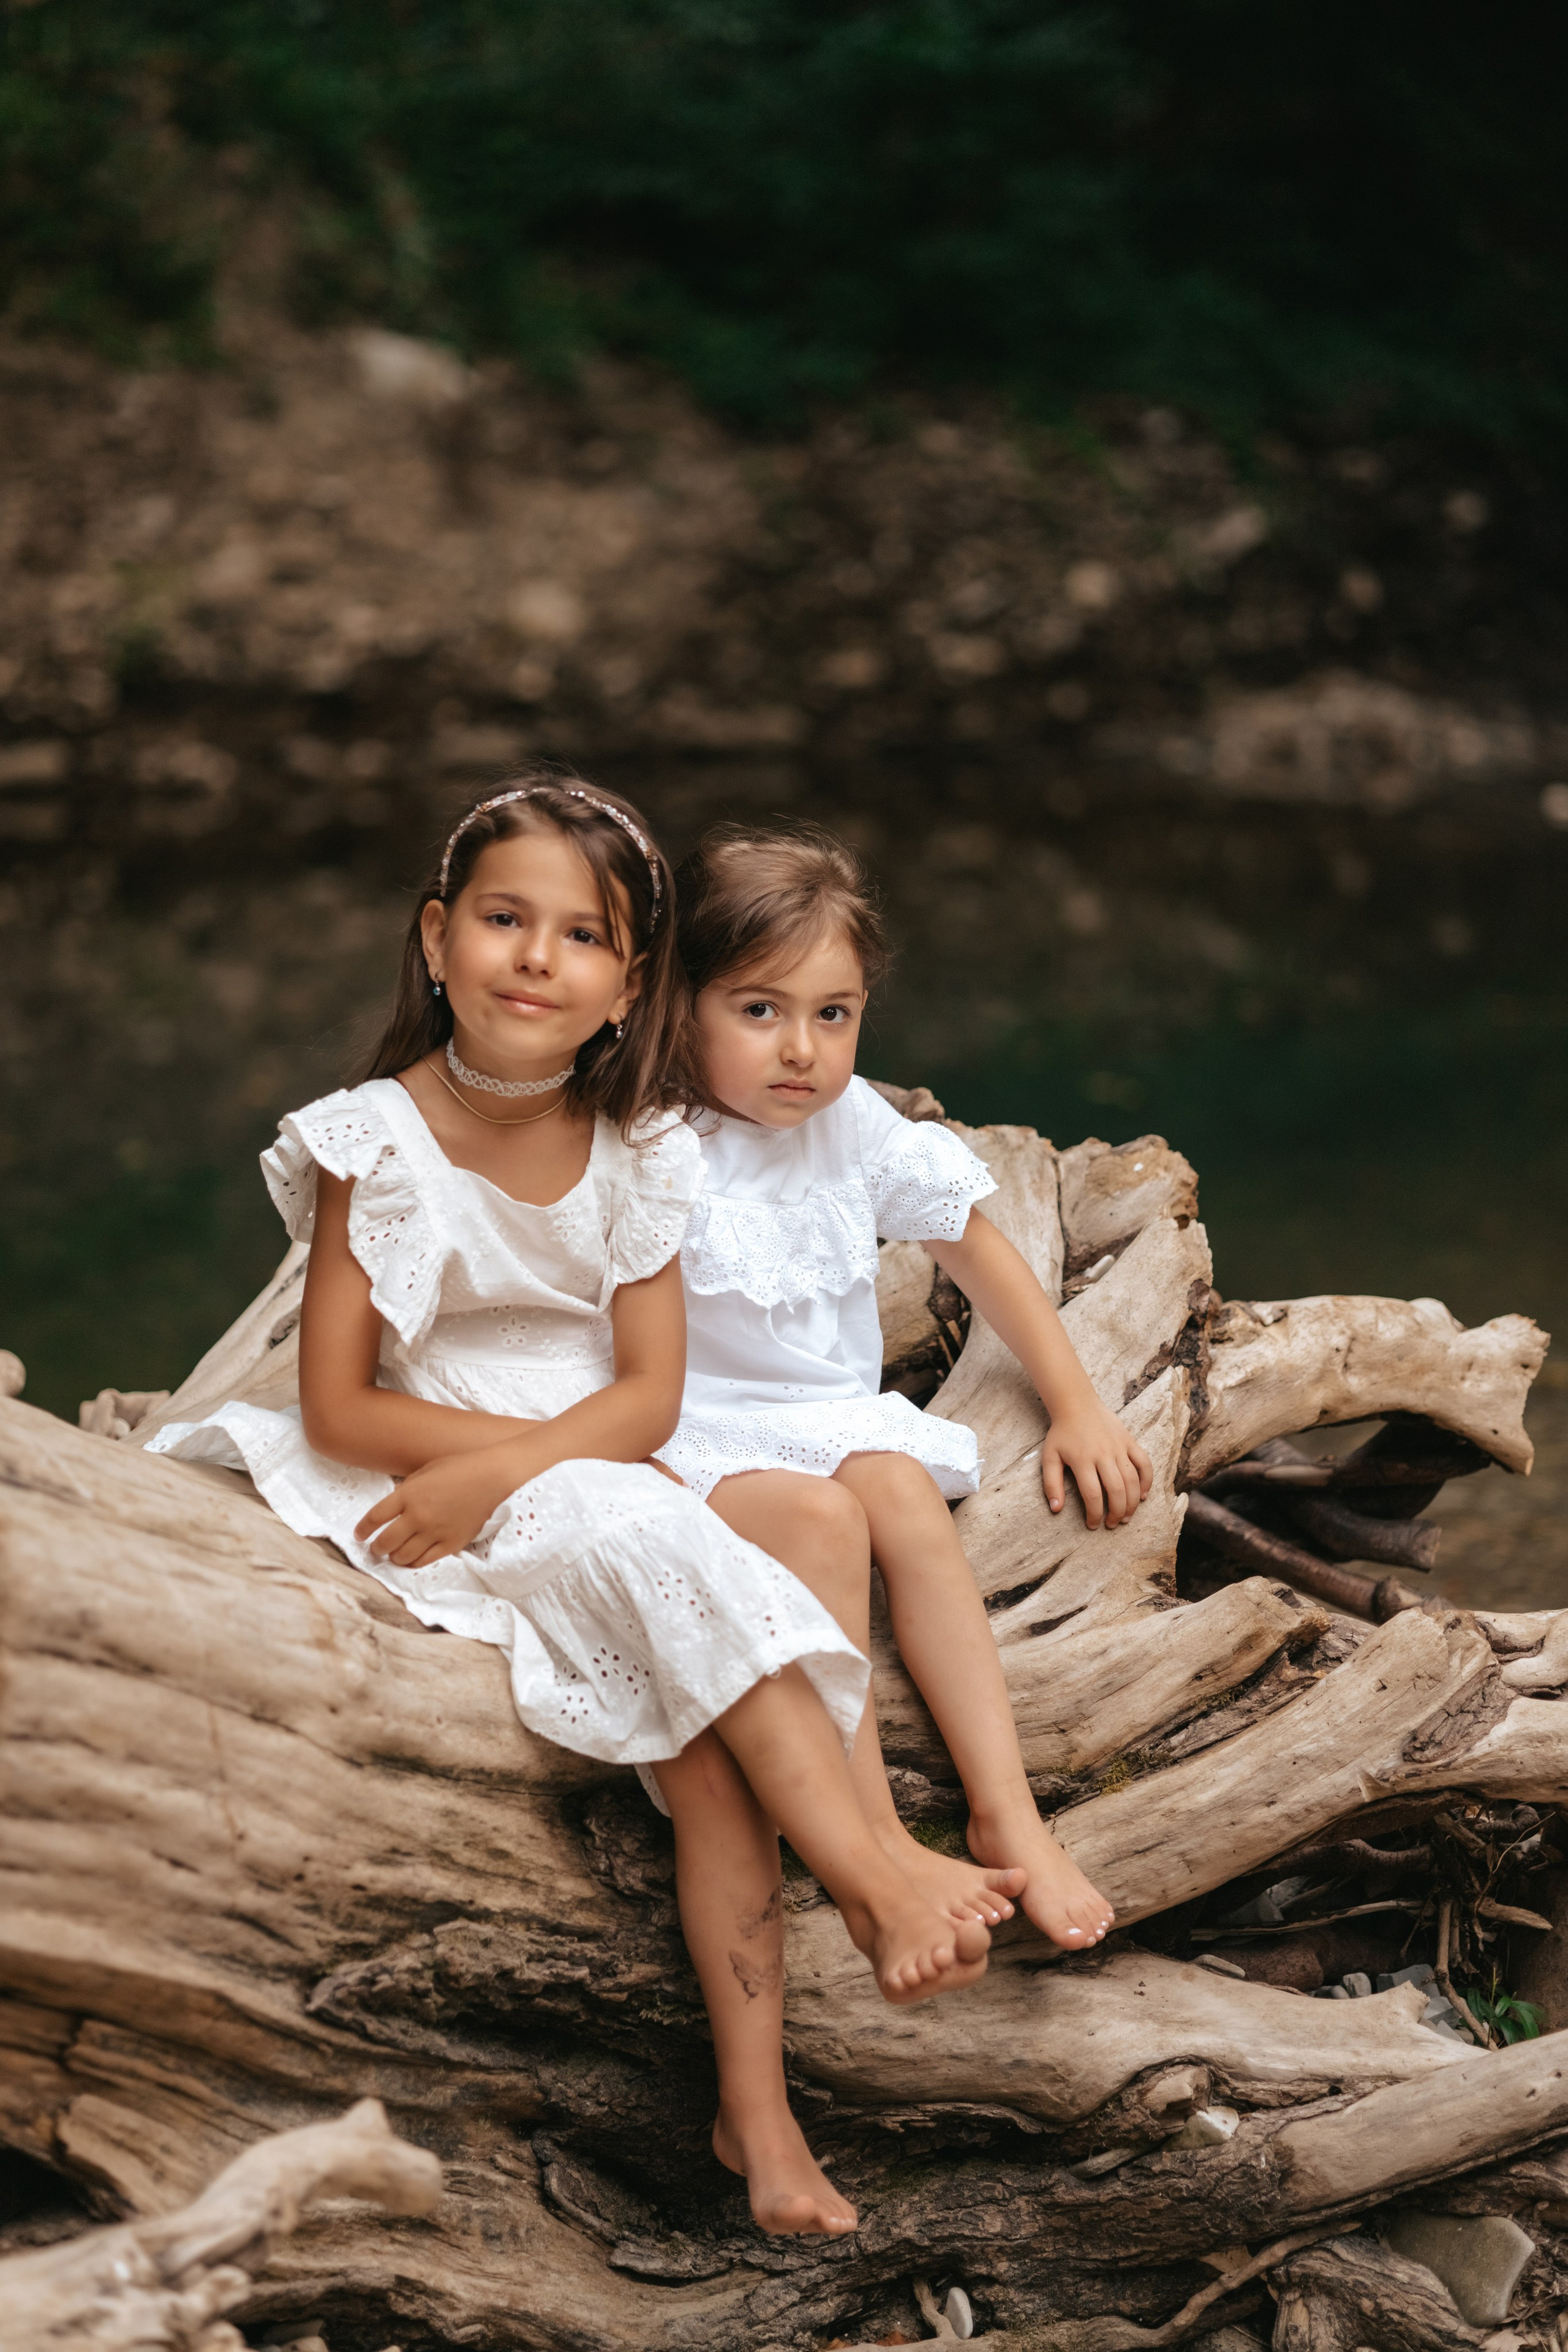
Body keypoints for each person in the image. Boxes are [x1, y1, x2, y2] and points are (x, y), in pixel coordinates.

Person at [148, 777, 992, 2237]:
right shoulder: (374, 1139)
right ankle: (869, 1879)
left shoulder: (637, 1146)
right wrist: (486, 1465)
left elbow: (649, 1398)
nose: (536, 957)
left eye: (580, 935)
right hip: (426, 1460)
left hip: (597, 1452)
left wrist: (529, 1459)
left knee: (709, 1734)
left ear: (628, 983)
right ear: (434, 940)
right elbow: (341, 1406)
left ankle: (757, 2113)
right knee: (646, 1537)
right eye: (501, 919)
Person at [656, 823, 1154, 1956]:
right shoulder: (651, 1138)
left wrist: (1075, 1403)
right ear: (678, 1002)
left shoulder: (846, 1122)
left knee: (908, 1503)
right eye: (760, 1009)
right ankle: (874, 1838)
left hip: (823, 1416)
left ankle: (1005, 1807)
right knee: (833, 1527)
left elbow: (979, 1253)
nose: (802, 1050)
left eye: (833, 1014)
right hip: (693, 1435)